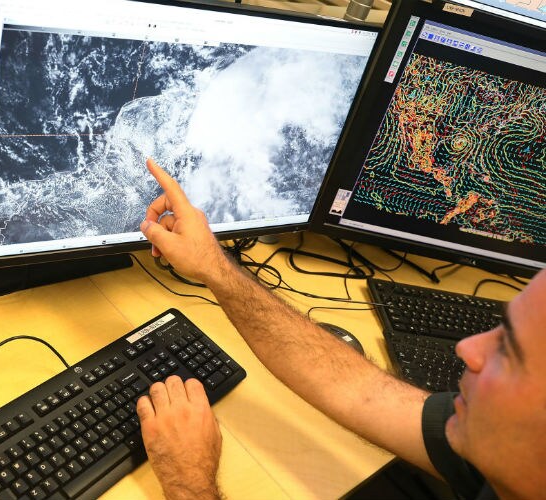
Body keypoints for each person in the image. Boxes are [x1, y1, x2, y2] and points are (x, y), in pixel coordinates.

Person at [135, 158, 546, 500]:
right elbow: (360, 392)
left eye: (510, 351)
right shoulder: (499, 448)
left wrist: (188, 479)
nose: (467, 348)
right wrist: (214, 267)